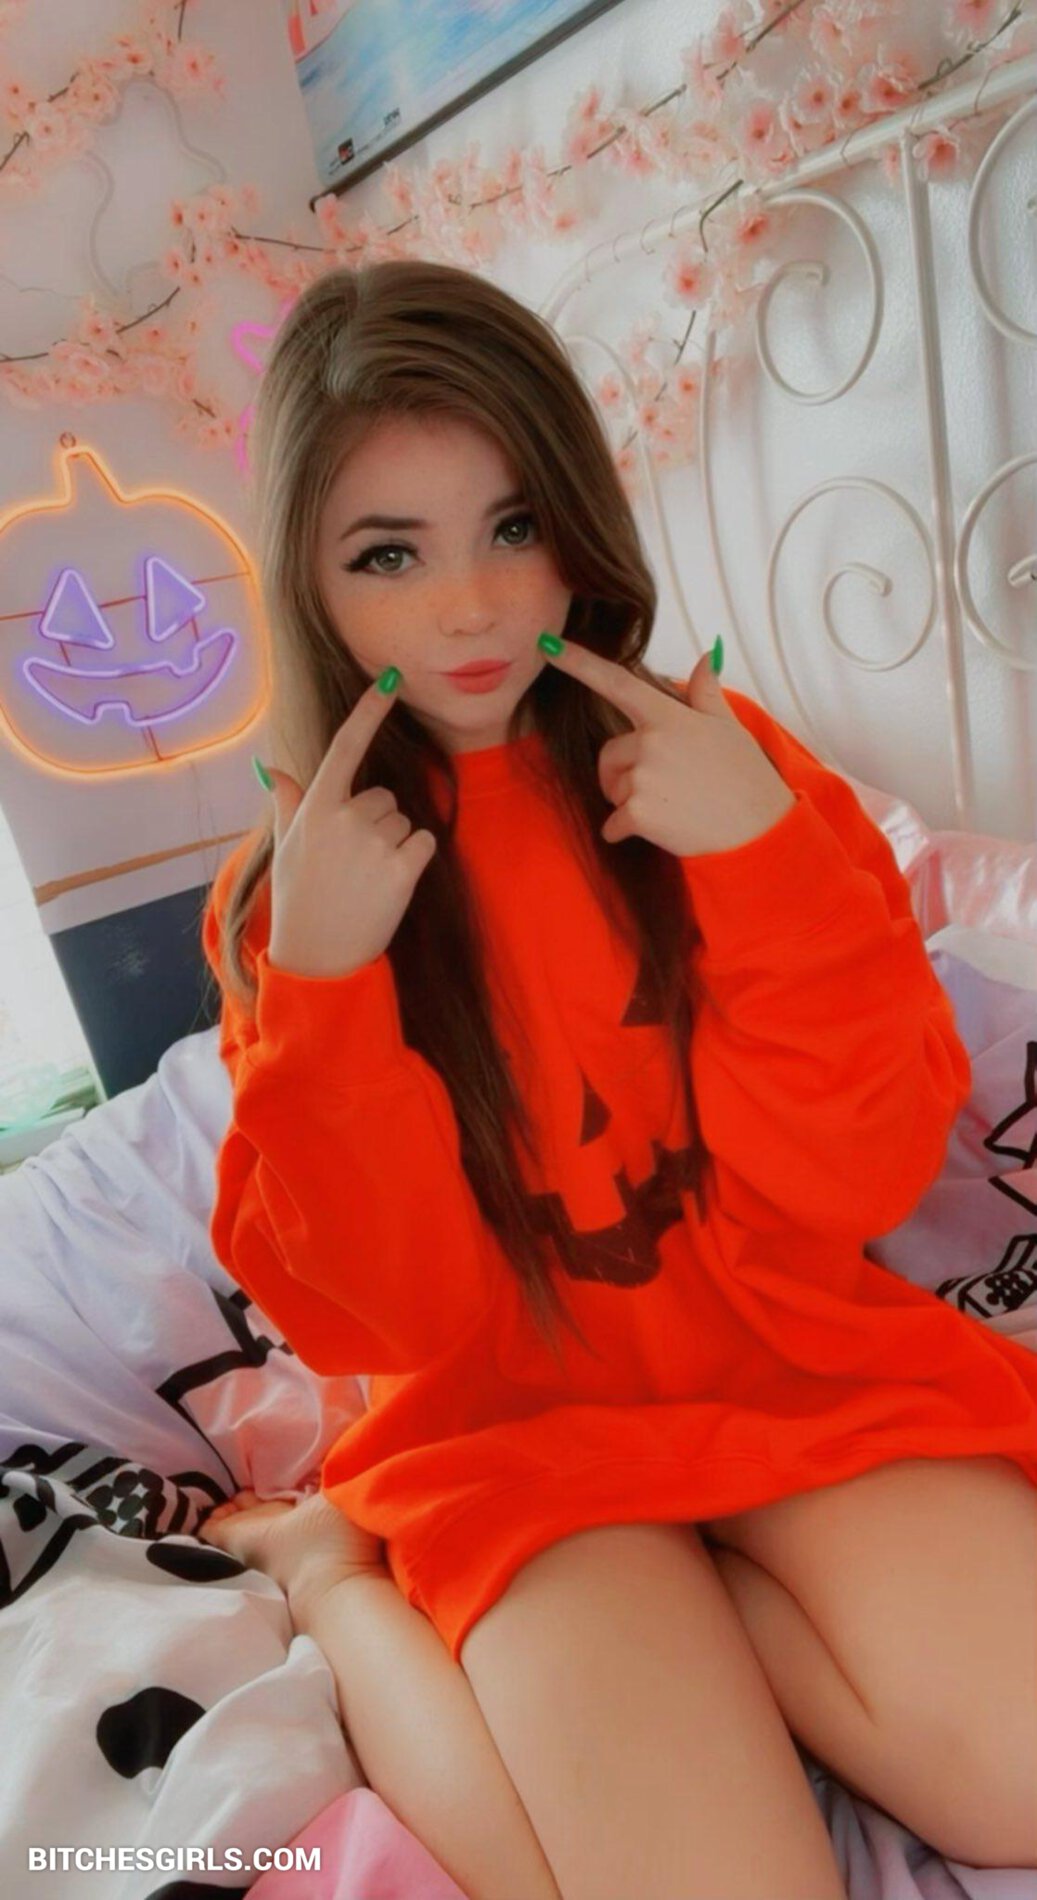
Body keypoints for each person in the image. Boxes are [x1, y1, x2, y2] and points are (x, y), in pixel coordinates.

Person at [197, 260, 1037, 1900]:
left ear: (575, 521)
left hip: (792, 1369)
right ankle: (335, 1575)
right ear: (308, 577)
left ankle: (714, 1627)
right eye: (389, 553)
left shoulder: (724, 765)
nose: (471, 606)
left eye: (513, 526)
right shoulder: (292, 895)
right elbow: (385, 1316)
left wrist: (766, 864)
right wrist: (324, 986)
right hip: (510, 1433)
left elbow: (859, 1176)